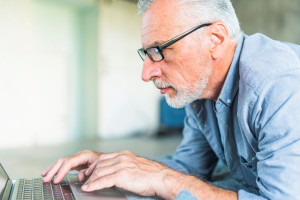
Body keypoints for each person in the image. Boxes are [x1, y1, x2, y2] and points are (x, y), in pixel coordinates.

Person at [42, 0, 300, 199]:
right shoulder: (200, 92)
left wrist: (165, 179)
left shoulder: (277, 85)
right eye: (147, 53)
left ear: (215, 40)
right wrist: (118, 165)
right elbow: (190, 168)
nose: (146, 73)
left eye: (160, 50)